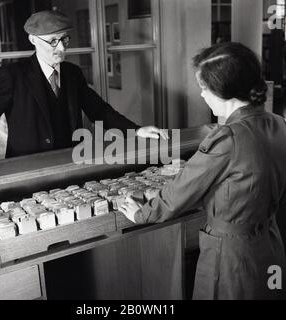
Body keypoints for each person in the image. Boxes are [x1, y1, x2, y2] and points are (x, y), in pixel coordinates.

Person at [120, 42, 286, 300]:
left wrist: (142, 214)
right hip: (269, 245)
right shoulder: (279, 123)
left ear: (223, 91)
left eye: (204, 88)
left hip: (231, 255)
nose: (201, 95)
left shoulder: (228, 138)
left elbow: (180, 192)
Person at [0, 10, 167, 178]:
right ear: (33, 40)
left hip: (71, 165)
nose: (62, 48)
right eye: (53, 41)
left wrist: (136, 130)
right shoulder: (13, 76)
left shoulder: (73, 73)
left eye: (64, 39)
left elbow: (100, 111)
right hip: (27, 172)